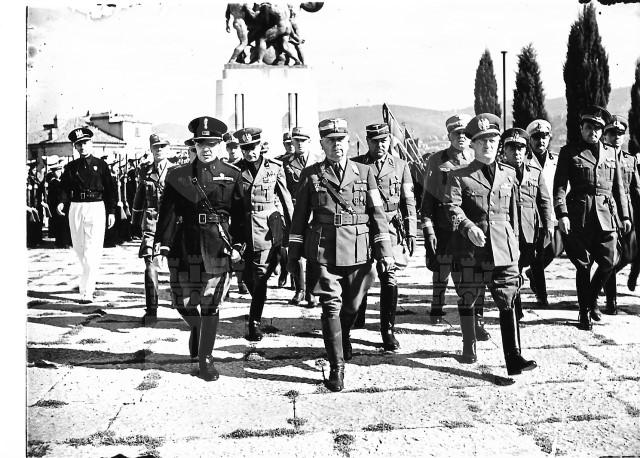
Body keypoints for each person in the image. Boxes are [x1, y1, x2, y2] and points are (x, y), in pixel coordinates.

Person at [287, 118, 394, 391]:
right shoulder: (311, 174)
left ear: (348, 142)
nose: (337, 145)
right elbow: (299, 218)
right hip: (324, 250)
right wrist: (293, 254)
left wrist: (385, 251)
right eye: (331, 141)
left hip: (359, 250)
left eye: (341, 140)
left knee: (352, 306)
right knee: (331, 306)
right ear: (322, 144)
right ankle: (337, 367)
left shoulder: (364, 172)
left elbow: (377, 214)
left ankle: (343, 334)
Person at [154, 116, 246, 381]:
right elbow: (168, 214)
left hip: (218, 245)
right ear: (194, 145)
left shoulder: (232, 174)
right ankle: (198, 328)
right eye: (201, 143)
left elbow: (241, 216)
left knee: (210, 304)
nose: (207, 148)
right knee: (182, 302)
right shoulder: (178, 175)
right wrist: (163, 246)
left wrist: (239, 245)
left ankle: (206, 359)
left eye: (212, 143)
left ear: (220, 145)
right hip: (186, 244)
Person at [445, 113, 537, 376]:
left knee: (508, 298)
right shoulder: (459, 175)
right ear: (472, 144)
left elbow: (513, 212)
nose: (488, 145)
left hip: (504, 247)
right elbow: (451, 208)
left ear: (499, 143)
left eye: (492, 140)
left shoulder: (509, 173)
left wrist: (516, 246)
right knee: (469, 297)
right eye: (481, 140)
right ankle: (469, 345)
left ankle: (514, 357)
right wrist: (467, 226)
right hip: (471, 249)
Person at [554, 106, 631, 330]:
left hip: (606, 214)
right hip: (580, 215)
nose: (593, 132)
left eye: (597, 128)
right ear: (581, 128)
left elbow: (618, 188)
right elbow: (560, 187)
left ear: (602, 130)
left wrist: (625, 216)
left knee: (610, 260)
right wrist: (562, 214)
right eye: (589, 127)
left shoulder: (610, 153)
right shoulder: (569, 152)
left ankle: (591, 298)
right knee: (583, 265)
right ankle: (584, 312)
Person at [352, 123, 416, 350]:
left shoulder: (400, 166)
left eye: (384, 141)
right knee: (361, 273)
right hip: (364, 226)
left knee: (389, 276)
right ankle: (357, 315)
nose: (380, 145)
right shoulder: (356, 165)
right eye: (375, 141)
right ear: (368, 142)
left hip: (390, 228)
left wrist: (411, 230)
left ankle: (387, 330)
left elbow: (408, 201)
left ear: (389, 141)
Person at [421, 115, 485, 331]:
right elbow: (428, 197)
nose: (461, 137)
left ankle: (474, 317)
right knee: (441, 270)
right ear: (449, 136)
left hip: (470, 227)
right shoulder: (436, 160)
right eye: (456, 133)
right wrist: (428, 228)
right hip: (445, 227)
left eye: (465, 133)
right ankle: (437, 307)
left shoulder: (477, 157)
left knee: (471, 273)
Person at [233, 127, 294, 341]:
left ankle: (254, 322)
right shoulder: (235, 170)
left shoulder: (275, 168)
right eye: (246, 148)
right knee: (245, 275)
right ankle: (258, 300)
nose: (250, 152)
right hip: (241, 229)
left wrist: (293, 229)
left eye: (253, 147)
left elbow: (286, 200)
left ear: (260, 146)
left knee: (260, 276)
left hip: (266, 229)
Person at [57, 127, 116, 303]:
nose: (82, 147)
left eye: (85, 143)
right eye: (78, 144)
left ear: (91, 143)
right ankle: (88, 279)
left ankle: (86, 291)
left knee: (92, 250)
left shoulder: (101, 165)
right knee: (79, 248)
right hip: (76, 207)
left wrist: (112, 211)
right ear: (75, 147)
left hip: (96, 207)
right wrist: (62, 201)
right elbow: (64, 187)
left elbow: (110, 190)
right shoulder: (71, 167)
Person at [499, 128, 553, 321]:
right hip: (507, 228)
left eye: (521, 147)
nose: (517, 151)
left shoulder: (535, 172)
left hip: (530, 228)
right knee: (513, 269)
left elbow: (544, 200)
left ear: (526, 149)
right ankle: (515, 308)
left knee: (531, 262)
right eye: (511, 147)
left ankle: (539, 295)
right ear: (504, 150)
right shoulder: (498, 172)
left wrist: (548, 224)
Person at [132, 133, 175, 326]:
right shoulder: (145, 171)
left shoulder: (177, 170)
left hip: (172, 224)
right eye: (156, 147)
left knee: (175, 266)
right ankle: (151, 310)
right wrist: (134, 223)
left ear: (169, 149)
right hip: (151, 223)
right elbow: (139, 197)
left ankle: (178, 299)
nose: (159, 150)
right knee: (149, 265)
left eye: (163, 146)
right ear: (150, 149)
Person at [601, 115, 640, 312]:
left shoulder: (630, 160)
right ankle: (611, 301)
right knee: (611, 255)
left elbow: (636, 190)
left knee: (628, 254)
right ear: (605, 136)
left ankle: (602, 280)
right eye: (612, 133)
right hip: (606, 212)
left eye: (620, 133)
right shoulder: (599, 157)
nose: (616, 137)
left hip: (627, 215)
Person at [524, 120, 562, 307]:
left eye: (544, 137)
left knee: (555, 249)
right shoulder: (524, 161)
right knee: (537, 256)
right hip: (532, 215)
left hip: (552, 212)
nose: (541, 141)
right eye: (536, 137)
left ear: (549, 138)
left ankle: (531, 274)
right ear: (530, 140)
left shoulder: (556, 160)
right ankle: (542, 294)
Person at [282, 127, 319, 306]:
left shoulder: (318, 161)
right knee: (294, 251)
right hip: (293, 212)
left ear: (309, 142)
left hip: (313, 213)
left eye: (303, 141)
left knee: (312, 252)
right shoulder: (284, 163)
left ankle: (312, 291)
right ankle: (299, 289)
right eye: (296, 141)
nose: (299, 144)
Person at [46, 157, 72, 248]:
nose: (59, 173)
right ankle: (60, 242)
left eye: (59, 171)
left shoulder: (63, 181)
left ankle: (66, 242)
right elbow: (52, 197)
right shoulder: (53, 183)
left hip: (65, 205)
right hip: (56, 206)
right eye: (56, 171)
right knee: (59, 225)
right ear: (53, 173)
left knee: (65, 224)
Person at [26, 160, 45, 247]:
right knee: (32, 223)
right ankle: (32, 241)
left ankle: (38, 239)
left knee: (39, 221)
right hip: (32, 204)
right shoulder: (29, 179)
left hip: (38, 203)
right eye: (33, 170)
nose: (34, 172)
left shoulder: (36, 179)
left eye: (35, 170)